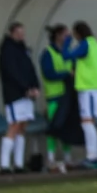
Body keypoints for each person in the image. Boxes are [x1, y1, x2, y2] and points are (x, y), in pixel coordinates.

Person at [61, 22, 97, 169]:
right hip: (96, 87)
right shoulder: (95, 44)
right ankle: (93, 155)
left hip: (88, 88)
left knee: (87, 123)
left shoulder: (85, 44)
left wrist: (67, 42)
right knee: (90, 123)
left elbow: (66, 55)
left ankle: (93, 156)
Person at [0, 23, 39, 174]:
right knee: (14, 126)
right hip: (14, 94)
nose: (22, 36)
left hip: (27, 94)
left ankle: (19, 163)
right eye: (19, 33)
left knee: (22, 127)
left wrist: (35, 87)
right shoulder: (7, 51)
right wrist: (25, 88)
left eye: (23, 33)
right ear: (12, 33)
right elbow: (12, 73)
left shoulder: (23, 50)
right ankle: (4, 165)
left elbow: (30, 69)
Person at [40, 24, 76, 171]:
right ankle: (51, 157)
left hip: (67, 95)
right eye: (66, 35)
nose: (69, 38)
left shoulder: (68, 52)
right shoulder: (47, 53)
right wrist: (66, 75)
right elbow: (48, 73)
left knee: (67, 127)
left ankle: (67, 157)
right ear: (58, 36)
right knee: (53, 128)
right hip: (54, 97)